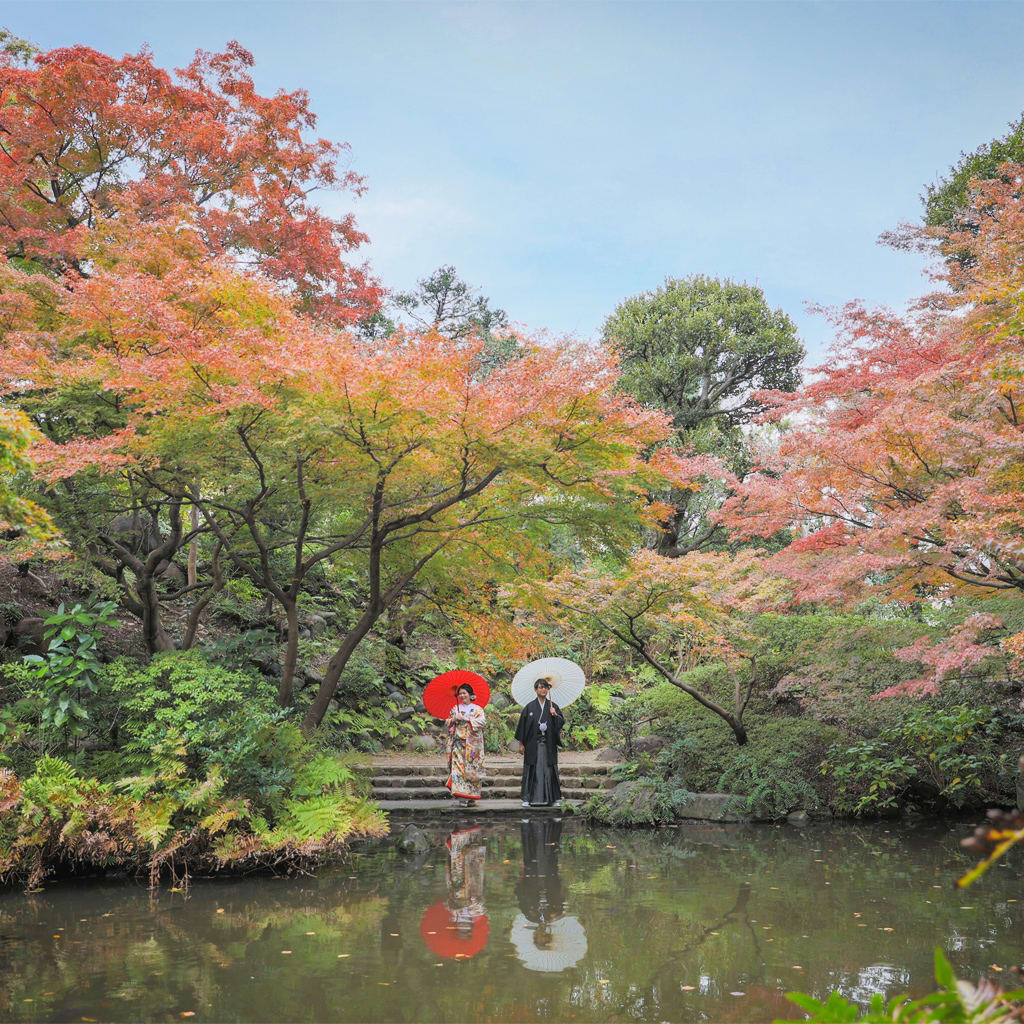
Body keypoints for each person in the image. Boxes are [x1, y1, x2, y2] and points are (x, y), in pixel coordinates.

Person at [515, 677, 565, 807]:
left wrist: (555, 715)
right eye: (541, 687)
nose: (543, 689)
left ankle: (552, 799)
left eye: (546, 687)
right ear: (535, 689)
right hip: (533, 744)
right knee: (531, 769)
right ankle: (527, 798)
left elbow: (560, 723)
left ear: (548, 690)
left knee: (549, 769)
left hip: (548, 744)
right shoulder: (529, 707)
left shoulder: (553, 706)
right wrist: (521, 744)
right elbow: (522, 726)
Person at [445, 682, 486, 807]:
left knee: (472, 770)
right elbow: (448, 724)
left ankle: (472, 797)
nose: (462, 696)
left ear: (470, 695)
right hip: (458, 744)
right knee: (458, 770)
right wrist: (453, 719)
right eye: (460, 693)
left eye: (464, 693)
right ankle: (462, 797)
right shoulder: (455, 709)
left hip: (472, 746)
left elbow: (482, 722)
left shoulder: (477, 709)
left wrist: (466, 719)